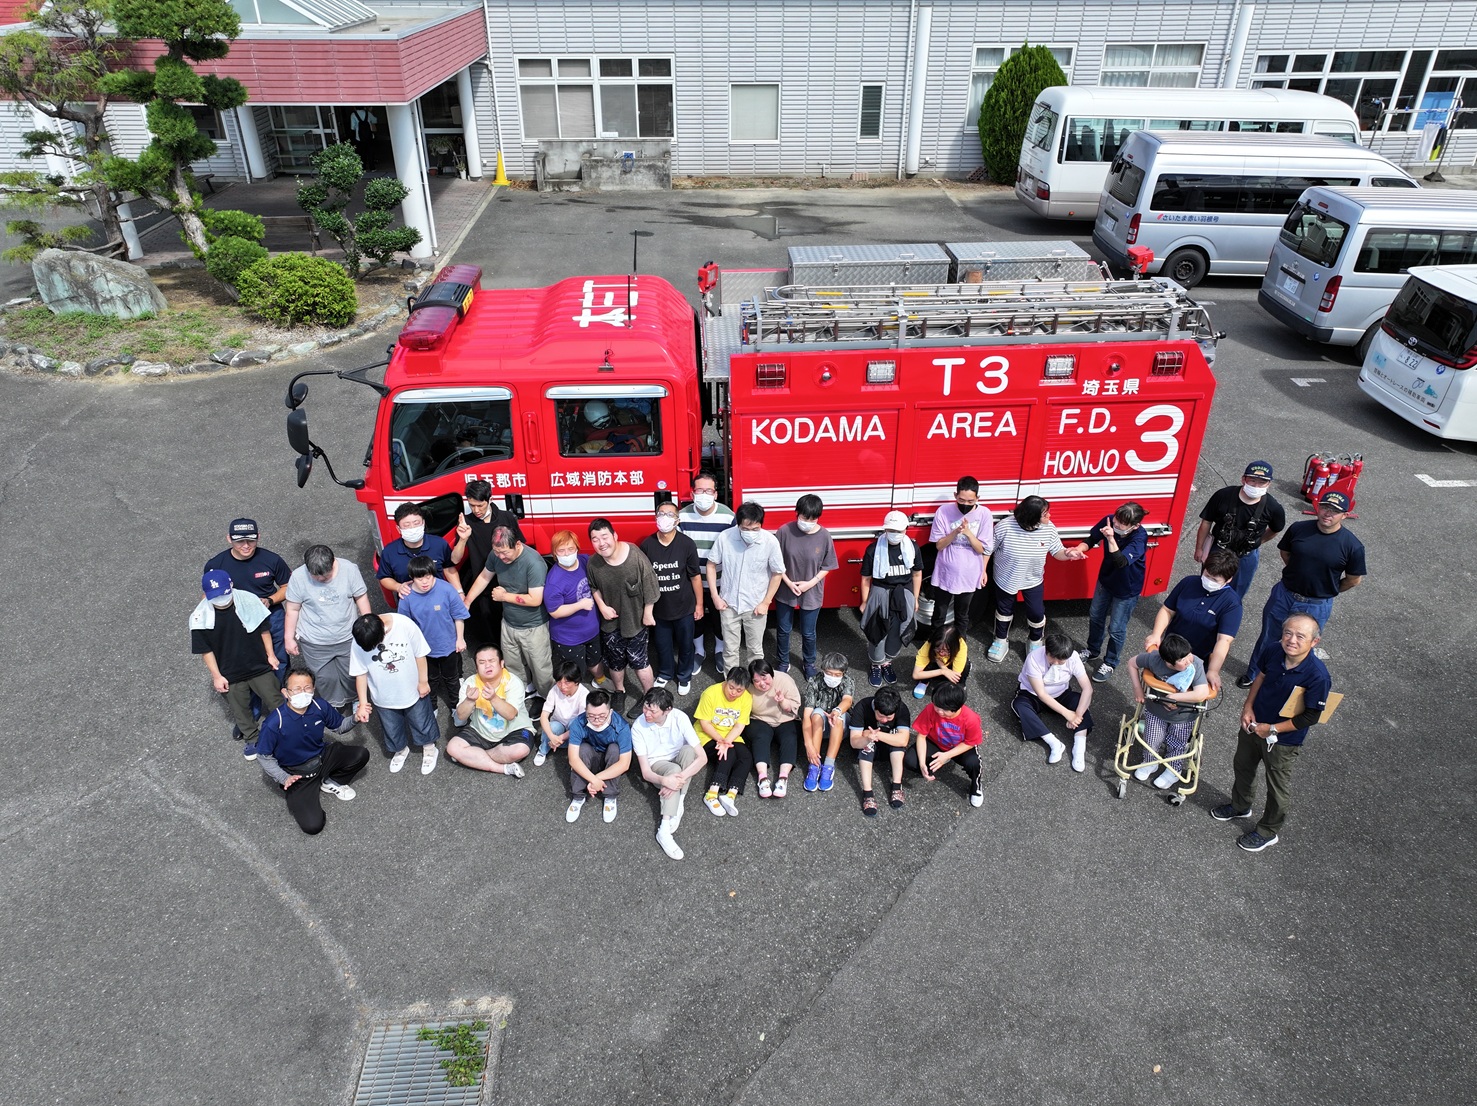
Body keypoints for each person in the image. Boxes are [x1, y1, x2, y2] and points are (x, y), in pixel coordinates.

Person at [1213, 613, 1332, 852]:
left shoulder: (1318, 676)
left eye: (1300, 636)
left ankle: (1268, 831)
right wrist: (1247, 707)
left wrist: (1273, 729)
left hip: (1283, 741)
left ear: (1314, 642)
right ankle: (1240, 805)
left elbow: (1311, 716)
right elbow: (1261, 676)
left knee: (1277, 786)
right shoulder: (1273, 650)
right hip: (1254, 724)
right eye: (1288, 633)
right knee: (1243, 766)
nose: (1292, 640)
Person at [1238, 489, 1365, 690]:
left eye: (1334, 510)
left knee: (1300, 646)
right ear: (1317, 507)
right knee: (1269, 638)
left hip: (1316, 605)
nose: (1327, 513)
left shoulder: (1352, 546)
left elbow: (1353, 580)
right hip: (1284, 595)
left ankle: (1286, 683)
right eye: (1324, 507)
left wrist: (1326, 590)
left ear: (1345, 515)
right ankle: (1254, 673)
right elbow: (1285, 552)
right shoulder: (1299, 528)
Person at [255, 668, 368, 835]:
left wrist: (355, 718)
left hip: (322, 757)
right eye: (297, 689)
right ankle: (308, 790)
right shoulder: (274, 722)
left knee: (361, 755)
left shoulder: (319, 705)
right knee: (313, 826)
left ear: (313, 689)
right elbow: (263, 756)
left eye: (307, 688)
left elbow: (339, 727)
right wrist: (283, 778)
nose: (303, 692)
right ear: (286, 692)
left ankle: (330, 781)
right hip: (297, 774)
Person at [191, 569, 281, 759]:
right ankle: (252, 738)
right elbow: (205, 651)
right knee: (240, 709)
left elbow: (264, 630)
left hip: (258, 664)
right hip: (229, 671)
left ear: (231, 586)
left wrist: (271, 655)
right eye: (215, 596)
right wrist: (217, 676)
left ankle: (286, 729)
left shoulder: (248, 600)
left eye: (224, 594)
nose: (221, 600)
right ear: (206, 595)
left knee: (275, 699)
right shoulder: (199, 617)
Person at [986, 496, 1086, 663]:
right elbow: (988, 549)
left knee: (1037, 612)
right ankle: (1000, 639)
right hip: (1006, 577)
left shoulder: (1049, 528)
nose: (1049, 517)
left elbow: (1057, 552)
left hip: (1033, 579)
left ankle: (1035, 640)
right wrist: (982, 570)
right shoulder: (1005, 526)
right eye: (1045, 514)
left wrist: (1069, 554)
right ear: (1031, 517)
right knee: (1004, 611)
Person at [464, 526, 554, 699]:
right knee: (514, 665)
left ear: (517, 544)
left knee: (541, 668)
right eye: (497, 553)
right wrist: (467, 601)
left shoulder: (534, 563)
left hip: (533, 626)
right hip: (509, 623)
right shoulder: (496, 554)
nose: (501, 557)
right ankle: (523, 691)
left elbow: (535, 599)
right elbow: (484, 577)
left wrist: (504, 596)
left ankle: (547, 698)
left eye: (505, 553)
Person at [586, 517, 660, 718]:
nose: (601, 543)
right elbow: (593, 587)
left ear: (615, 536)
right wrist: (602, 606)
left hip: (636, 621)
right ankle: (620, 691)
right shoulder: (594, 563)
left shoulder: (634, 555)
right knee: (615, 662)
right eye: (595, 539)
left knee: (640, 661)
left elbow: (651, 584)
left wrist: (648, 613)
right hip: (610, 622)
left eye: (605, 537)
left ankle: (649, 695)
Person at [283, 544, 371, 712]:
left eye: (326, 575)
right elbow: (293, 609)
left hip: (347, 636)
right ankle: (333, 703)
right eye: (316, 576)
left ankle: (354, 698)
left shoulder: (349, 570)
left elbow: (361, 597)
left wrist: (368, 624)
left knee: (351, 673)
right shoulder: (298, 577)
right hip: (314, 640)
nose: (321, 579)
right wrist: (289, 637)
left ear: (333, 563)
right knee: (324, 677)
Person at [349, 611, 439, 775]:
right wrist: (362, 703)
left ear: (382, 631)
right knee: (391, 727)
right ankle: (400, 750)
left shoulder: (404, 624)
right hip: (383, 695)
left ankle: (429, 747)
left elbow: (420, 654)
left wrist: (423, 681)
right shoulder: (360, 639)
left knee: (421, 720)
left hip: (412, 688)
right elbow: (360, 673)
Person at [203, 517, 290, 686]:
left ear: (258, 536)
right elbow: (208, 595)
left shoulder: (272, 560)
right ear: (229, 539)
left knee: (279, 658)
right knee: (246, 662)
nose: (245, 546)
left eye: (251, 540)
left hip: (271, 616)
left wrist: (270, 600)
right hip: (236, 621)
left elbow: (287, 586)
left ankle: (281, 696)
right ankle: (252, 705)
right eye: (239, 541)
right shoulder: (216, 565)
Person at [1144, 549, 1243, 694]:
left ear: (1229, 580)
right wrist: (1156, 634)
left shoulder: (1232, 604)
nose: (1209, 581)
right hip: (1169, 652)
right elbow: (1167, 610)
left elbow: (1224, 641)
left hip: (1195, 662)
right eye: (1207, 575)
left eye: (1215, 580)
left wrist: (1213, 670)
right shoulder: (1188, 582)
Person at [1073, 502, 1149, 683]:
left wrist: (1112, 539)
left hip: (1126, 589)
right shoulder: (1109, 522)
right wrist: (1078, 549)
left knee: (1116, 628)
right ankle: (1092, 650)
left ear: (1135, 526)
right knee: (1095, 616)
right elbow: (1091, 540)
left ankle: (1110, 662)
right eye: (1116, 520)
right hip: (1106, 580)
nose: (1116, 525)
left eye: (1122, 524)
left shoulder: (1140, 537)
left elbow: (1121, 562)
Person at [1125, 633, 1213, 790]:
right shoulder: (1154, 659)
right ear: (1168, 662)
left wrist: (1174, 697)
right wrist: (1138, 688)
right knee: (1151, 738)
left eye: (1188, 655)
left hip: (1183, 715)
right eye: (1182, 660)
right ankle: (1149, 762)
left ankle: (1173, 768)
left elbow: (1201, 693)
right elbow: (1132, 663)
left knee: (1177, 742)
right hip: (1155, 710)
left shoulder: (1195, 665)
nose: (1188, 660)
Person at [630, 686, 708, 860]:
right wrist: (665, 780)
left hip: (678, 757)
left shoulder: (679, 718)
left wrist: (675, 783)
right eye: (645, 707)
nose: (646, 714)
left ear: (668, 711)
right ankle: (663, 830)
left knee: (689, 751)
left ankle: (678, 802)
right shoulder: (638, 727)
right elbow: (645, 772)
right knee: (673, 770)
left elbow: (702, 758)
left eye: (653, 711)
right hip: (657, 764)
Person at [707, 501, 785, 667]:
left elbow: (777, 573)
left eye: (755, 529)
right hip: (728, 603)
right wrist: (715, 596)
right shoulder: (725, 537)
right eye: (745, 529)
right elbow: (711, 564)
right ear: (738, 524)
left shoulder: (770, 541)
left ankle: (755, 685)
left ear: (761, 525)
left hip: (756, 605)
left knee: (756, 651)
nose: (750, 533)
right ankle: (732, 686)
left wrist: (766, 602)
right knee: (729, 649)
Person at [1194, 461, 1286, 600]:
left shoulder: (1273, 508)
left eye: (1262, 482)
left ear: (1269, 484)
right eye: (1252, 480)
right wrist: (1199, 548)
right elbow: (1206, 521)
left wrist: (1258, 541)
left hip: (1245, 557)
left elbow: (1275, 530)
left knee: (1234, 596)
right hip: (1218, 550)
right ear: (1243, 479)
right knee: (1207, 585)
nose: (1256, 486)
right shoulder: (1223, 495)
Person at [450, 480, 523, 650]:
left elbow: (520, 547)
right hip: (483, 584)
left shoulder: (506, 517)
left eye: (480, 505)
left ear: (490, 499)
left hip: (511, 582)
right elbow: (454, 559)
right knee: (489, 625)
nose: (476, 510)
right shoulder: (466, 523)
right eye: (471, 505)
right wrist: (463, 539)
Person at [640, 501, 703, 696]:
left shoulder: (686, 544)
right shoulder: (647, 544)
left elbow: (695, 576)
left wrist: (699, 604)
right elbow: (643, 578)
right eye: (661, 513)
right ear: (655, 517)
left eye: (669, 514)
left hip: (684, 606)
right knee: (662, 645)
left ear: (677, 520)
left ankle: (684, 676)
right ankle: (665, 673)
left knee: (686, 644)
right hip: (659, 609)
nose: (664, 518)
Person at [1010, 629, 1095, 772]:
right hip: (1033, 695)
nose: (1056, 662)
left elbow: (1088, 689)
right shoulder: (1034, 658)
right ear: (1046, 651)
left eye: (1061, 660)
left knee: (1080, 701)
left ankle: (1079, 748)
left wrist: (1077, 715)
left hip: (1061, 693)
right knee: (1019, 705)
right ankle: (1054, 743)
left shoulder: (1073, 657)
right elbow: (1041, 694)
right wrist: (1067, 714)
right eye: (1053, 658)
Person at [774, 494, 838, 678]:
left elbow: (828, 566)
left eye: (812, 518)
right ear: (797, 513)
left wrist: (809, 584)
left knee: (809, 632)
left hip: (812, 590)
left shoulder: (824, 535)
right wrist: (788, 582)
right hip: (786, 586)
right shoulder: (784, 531)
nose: (807, 522)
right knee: (783, 629)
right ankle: (783, 661)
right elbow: (775, 562)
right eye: (803, 517)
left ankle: (809, 662)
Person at [446, 644, 534, 777]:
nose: (487, 666)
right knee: (452, 747)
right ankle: (503, 768)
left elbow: (510, 715)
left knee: (520, 750)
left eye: (491, 661)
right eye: (482, 662)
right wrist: (469, 701)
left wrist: (493, 698)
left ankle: (473, 757)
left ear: (501, 663)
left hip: (514, 729)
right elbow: (461, 716)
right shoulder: (470, 683)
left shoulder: (513, 682)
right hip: (480, 731)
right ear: (476, 667)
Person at [397, 554, 469, 716]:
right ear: (411, 578)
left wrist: (460, 638)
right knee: (430, 680)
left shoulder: (447, 589)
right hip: (423, 651)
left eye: (428, 577)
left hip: (448, 646)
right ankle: (432, 708)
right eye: (420, 578)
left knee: (452, 679)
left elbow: (459, 615)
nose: (425, 582)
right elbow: (404, 626)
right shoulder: (406, 597)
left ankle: (456, 708)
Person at [858, 510, 922, 687]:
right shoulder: (873, 549)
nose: (895, 534)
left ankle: (888, 662)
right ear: (885, 530)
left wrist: (915, 598)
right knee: (877, 630)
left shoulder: (912, 547)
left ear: (906, 530)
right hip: (880, 592)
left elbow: (917, 574)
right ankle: (876, 664)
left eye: (899, 531)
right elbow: (865, 578)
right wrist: (865, 601)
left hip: (904, 593)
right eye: (891, 530)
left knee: (899, 629)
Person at [678, 470, 733, 668]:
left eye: (708, 491)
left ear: (716, 494)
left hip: (720, 581)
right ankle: (699, 651)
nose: (704, 495)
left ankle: (719, 650)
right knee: (696, 618)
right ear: (692, 494)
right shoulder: (682, 517)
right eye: (699, 490)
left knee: (721, 618)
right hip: (692, 582)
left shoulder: (728, 517)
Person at [928, 476, 992, 638]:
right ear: (955, 495)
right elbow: (939, 545)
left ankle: (959, 649)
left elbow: (982, 549)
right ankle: (934, 647)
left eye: (970, 502)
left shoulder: (984, 514)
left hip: (969, 574)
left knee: (962, 616)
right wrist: (955, 532)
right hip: (945, 573)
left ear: (978, 498)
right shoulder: (943, 511)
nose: (965, 504)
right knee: (939, 613)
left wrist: (969, 533)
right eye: (961, 500)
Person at [906, 682, 986, 808]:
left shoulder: (971, 719)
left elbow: (971, 742)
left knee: (973, 762)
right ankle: (929, 767)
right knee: (910, 760)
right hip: (935, 742)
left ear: (956, 708)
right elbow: (921, 736)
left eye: (943, 709)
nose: (937, 710)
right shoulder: (931, 709)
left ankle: (976, 786)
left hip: (959, 747)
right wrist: (922, 763)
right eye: (936, 705)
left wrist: (946, 755)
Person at [542, 530, 605, 686]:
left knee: (595, 659)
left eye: (570, 549)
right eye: (561, 550)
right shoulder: (554, 581)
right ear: (555, 553)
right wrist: (580, 605)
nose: (567, 554)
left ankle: (600, 680)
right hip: (569, 638)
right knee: (576, 671)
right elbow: (554, 612)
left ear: (577, 548)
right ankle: (576, 694)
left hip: (592, 630)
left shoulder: (585, 561)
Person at [563, 688, 633, 824]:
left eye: (602, 716)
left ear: (610, 712)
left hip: (611, 761)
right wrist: (593, 780)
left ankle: (610, 795)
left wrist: (595, 779)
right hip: (590, 757)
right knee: (582, 749)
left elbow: (624, 764)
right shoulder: (579, 722)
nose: (596, 720)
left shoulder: (621, 727)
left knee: (614, 749)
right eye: (591, 716)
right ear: (585, 711)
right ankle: (578, 796)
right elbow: (573, 759)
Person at [694, 668, 754, 817]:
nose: (734, 693)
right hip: (706, 735)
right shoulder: (710, 693)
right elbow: (705, 723)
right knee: (729, 752)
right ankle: (711, 793)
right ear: (726, 681)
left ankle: (730, 795)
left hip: (729, 735)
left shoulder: (747, 698)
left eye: (739, 690)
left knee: (746, 756)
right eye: (731, 687)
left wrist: (726, 741)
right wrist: (721, 741)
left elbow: (740, 725)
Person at [846, 685, 913, 816]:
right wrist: (868, 739)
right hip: (866, 748)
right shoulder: (862, 707)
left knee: (897, 743)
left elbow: (903, 740)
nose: (884, 720)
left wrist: (878, 735)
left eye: (889, 718)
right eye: (880, 716)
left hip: (888, 748)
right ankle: (868, 793)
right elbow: (854, 742)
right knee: (868, 745)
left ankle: (896, 786)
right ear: (874, 707)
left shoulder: (902, 709)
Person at [376, 502, 459, 603]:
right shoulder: (390, 552)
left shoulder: (439, 544)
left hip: (440, 601)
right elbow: (384, 577)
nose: (412, 528)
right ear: (398, 529)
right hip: (410, 603)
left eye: (416, 523)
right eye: (407, 525)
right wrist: (398, 587)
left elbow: (449, 568)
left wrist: (459, 592)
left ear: (423, 523)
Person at [747, 659, 803, 798]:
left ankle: (783, 778)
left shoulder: (784, 680)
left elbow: (794, 707)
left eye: (764, 678)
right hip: (759, 719)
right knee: (760, 737)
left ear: (771, 674)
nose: (762, 684)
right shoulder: (748, 687)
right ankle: (762, 778)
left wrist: (783, 701)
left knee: (790, 737)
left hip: (786, 718)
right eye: (757, 681)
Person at [801, 652, 856, 792]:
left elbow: (847, 701)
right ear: (823, 670)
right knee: (816, 714)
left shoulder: (847, 681)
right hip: (818, 726)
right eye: (829, 673)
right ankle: (814, 764)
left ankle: (828, 766)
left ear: (844, 673)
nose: (833, 678)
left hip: (841, 725)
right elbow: (807, 715)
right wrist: (809, 746)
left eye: (838, 675)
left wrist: (837, 711)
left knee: (837, 719)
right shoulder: (814, 682)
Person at [536, 660, 589, 766]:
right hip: (558, 723)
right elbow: (544, 715)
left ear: (576, 681)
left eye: (567, 682)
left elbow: (581, 723)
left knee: (575, 723)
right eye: (559, 682)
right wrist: (551, 736)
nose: (562, 686)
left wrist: (559, 738)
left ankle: (566, 746)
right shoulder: (554, 690)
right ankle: (543, 750)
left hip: (574, 727)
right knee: (553, 727)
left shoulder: (584, 695)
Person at [911, 625, 970, 700]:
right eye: (938, 649)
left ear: (955, 646)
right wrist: (943, 671)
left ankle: (960, 685)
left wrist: (940, 664)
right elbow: (916, 675)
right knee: (927, 661)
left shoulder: (961, 646)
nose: (941, 653)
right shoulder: (928, 645)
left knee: (966, 665)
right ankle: (924, 681)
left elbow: (955, 675)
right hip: (938, 667)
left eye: (947, 650)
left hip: (949, 667)